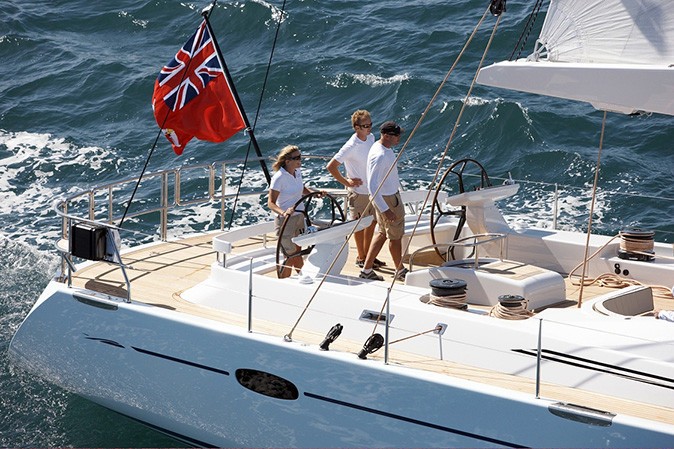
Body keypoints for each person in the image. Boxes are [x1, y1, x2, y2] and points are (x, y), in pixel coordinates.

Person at [326, 109, 383, 269]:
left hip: (371, 190)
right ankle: (361, 257)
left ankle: (369, 255)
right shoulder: (351, 146)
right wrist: (347, 182)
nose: (369, 128)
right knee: (359, 225)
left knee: (372, 223)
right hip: (358, 193)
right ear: (357, 127)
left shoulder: (371, 138)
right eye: (366, 126)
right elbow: (331, 166)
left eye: (370, 124)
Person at [360, 121, 407, 282]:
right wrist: (385, 209)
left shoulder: (381, 147)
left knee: (382, 233)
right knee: (395, 236)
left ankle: (367, 269)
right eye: (396, 135)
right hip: (388, 200)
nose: (399, 138)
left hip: (388, 197)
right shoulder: (380, 156)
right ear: (386, 136)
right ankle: (400, 270)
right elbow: (372, 187)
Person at [268, 145, 320, 278]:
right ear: (287, 161)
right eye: (297, 158)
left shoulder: (297, 172)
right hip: (285, 221)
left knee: (297, 253)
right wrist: (284, 212)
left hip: (299, 218)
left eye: (300, 157)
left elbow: (301, 188)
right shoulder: (279, 178)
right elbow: (271, 203)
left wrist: (314, 194)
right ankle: (284, 283)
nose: (300, 160)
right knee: (289, 256)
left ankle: (303, 280)